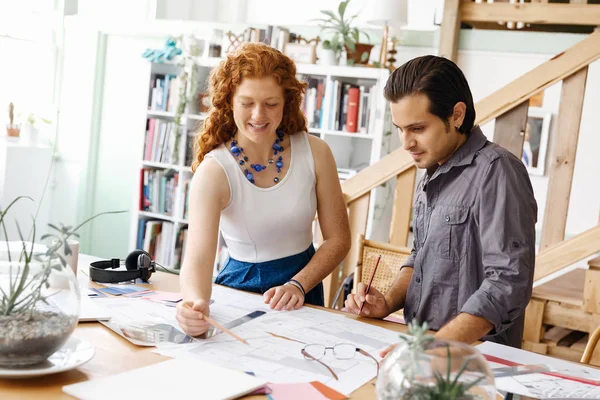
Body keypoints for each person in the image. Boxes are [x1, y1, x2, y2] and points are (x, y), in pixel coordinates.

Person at [344, 55, 538, 351]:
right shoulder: (433, 169)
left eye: (417, 129)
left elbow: (507, 283)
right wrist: (387, 302)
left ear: (457, 115)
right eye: (400, 128)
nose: (405, 142)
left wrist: (435, 346)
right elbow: (420, 256)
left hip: (473, 362)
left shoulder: (498, 171)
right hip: (421, 349)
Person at [176, 42, 351, 336]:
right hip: (240, 291)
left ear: (287, 102)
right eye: (247, 103)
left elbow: (339, 239)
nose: (259, 115)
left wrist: (299, 283)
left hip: (303, 289)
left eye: (271, 104)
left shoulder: (316, 152)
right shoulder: (214, 171)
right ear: (229, 101)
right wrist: (193, 304)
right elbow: (198, 257)